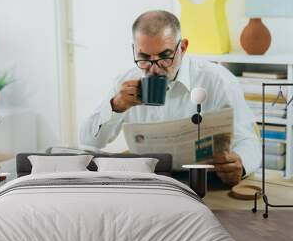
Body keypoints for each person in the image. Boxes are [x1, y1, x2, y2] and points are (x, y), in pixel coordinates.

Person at [79, 10, 261, 186]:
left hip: (205, 182)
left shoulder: (218, 80)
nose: (155, 69)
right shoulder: (125, 82)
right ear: (134, 50)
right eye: (144, 58)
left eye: (165, 57)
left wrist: (240, 164)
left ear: (182, 47)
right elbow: (89, 140)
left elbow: (249, 141)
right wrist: (115, 106)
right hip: (150, 182)